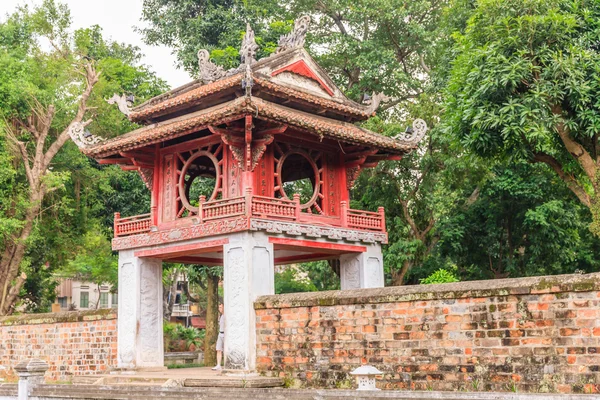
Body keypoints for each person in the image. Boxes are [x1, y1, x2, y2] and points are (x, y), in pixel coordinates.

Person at [212, 303, 224, 370]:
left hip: (225, 334)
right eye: (219, 307)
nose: (220, 309)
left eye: (221, 307)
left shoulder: (226, 316)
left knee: (226, 350)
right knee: (218, 349)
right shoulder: (221, 316)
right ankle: (218, 365)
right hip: (220, 333)